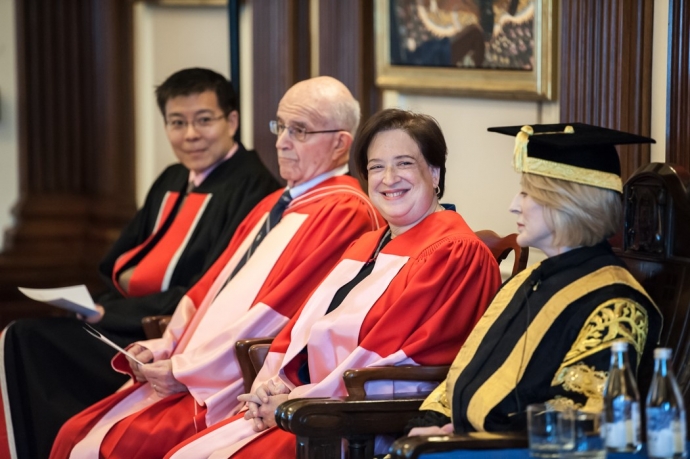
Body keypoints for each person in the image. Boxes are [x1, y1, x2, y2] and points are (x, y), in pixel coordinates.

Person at [49, 76, 384, 459]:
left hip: (227, 384)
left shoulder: (345, 212)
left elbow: (277, 314)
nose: (281, 141)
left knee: (108, 447)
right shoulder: (276, 201)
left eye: (300, 131)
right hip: (191, 368)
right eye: (280, 126)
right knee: (74, 432)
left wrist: (186, 369)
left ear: (341, 143)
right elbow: (209, 289)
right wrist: (165, 346)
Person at [163, 108, 503, 459]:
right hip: (310, 405)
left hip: (356, 422)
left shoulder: (454, 253)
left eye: (404, 164)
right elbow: (303, 330)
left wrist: (299, 400)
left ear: (434, 173)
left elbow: (396, 361)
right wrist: (273, 385)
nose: (388, 178)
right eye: (375, 167)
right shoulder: (366, 245)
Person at [0, 67, 279, 459]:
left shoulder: (254, 188)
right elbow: (117, 261)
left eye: (204, 120)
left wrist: (109, 314)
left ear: (231, 120)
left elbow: (211, 290)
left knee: (24, 340)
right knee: (23, 337)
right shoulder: (172, 177)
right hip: (121, 315)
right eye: (177, 123)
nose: (190, 135)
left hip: (167, 335)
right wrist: (99, 308)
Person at [403, 123, 663, 438]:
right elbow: (463, 375)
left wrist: (464, 441)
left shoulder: (616, 304)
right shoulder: (525, 281)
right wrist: (427, 426)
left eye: (527, 193)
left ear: (569, 204)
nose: (514, 204)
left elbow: (582, 416)